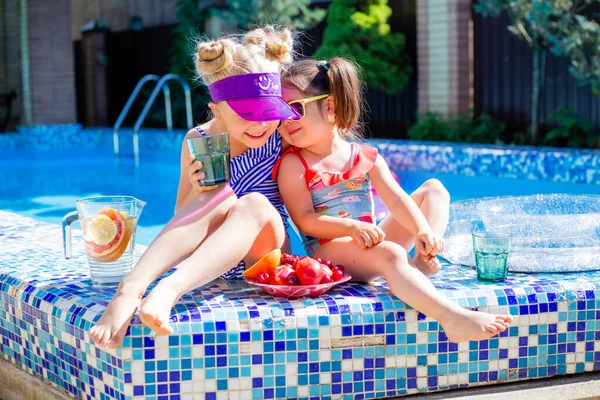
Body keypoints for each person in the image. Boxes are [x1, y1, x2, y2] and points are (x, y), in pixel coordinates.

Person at [89, 26, 303, 348]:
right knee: (216, 194)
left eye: (267, 112)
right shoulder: (199, 140)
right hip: (213, 262)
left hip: (264, 257)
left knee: (254, 203)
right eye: (247, 114)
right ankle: (130, 289)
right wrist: (194, 184)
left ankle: (168, 291)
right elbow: (183, 217)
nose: (260, 124)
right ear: (217, 109)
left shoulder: (279, 137)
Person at [274, 58, 512, 343]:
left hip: (368, 242)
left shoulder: (363, 156)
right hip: (330, 253)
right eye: (279, 112)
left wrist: (423, 231)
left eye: (294, 109)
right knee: (391, 253)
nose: (285, 120)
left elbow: (397, 200)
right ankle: (452, 318)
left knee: (435, 189)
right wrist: (350, 229)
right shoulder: (295, 163)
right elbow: (305, 220)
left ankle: (424, 258)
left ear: (330, 107)